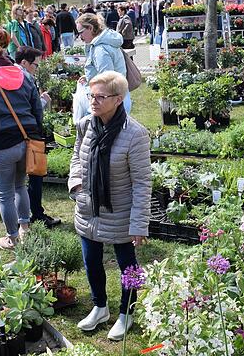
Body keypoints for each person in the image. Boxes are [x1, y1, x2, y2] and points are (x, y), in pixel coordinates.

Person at [68, 71, 150, 339]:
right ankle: (100, 306)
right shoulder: (85, 125)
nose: (93, 101)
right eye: (92, 95)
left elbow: (141, 182)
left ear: (118, 99)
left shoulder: (135, 135)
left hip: (121, 211)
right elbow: (77, 158)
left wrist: (139, 224)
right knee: (91, 261)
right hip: (88, 208)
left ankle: (127, 311)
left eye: (100, 96)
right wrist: (77, 186)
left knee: (128, 265)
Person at [0, 39, 43, 250]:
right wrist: (36, 134)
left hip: (2, 144)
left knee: (5, 193)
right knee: (20, 185)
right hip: (27, 139)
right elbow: (37, 108)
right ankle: (25, 228)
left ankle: (11, 238)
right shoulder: (24, 75)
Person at [13, 46, 61, 228]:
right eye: (34, 64)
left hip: (11, 135)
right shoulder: (25, 78)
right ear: (24, 62)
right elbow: (31, 111)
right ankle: (36, 215)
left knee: (16, 181)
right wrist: (42, 101)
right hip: (29, 134)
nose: (36, 68)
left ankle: (20, 218)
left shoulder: (8, 76)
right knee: (35, 174)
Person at [76, 13, 131, 113]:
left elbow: (107, 80)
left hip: (110, 105)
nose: (80, 36)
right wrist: (89, 76)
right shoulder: (105, 42)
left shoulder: (100, 49)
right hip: (117, 99)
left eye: (81, 32)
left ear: (90, 28)